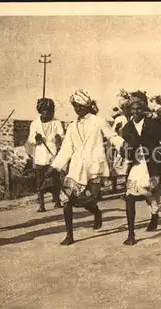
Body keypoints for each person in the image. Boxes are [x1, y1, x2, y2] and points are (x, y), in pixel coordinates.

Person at [49, 90, 125, 245]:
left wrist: (123, 145)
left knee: (87, 200)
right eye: (76, 106)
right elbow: (66, 149)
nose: (78, 109)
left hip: (94, 167)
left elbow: (112, 136)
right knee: (67, 200)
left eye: (81, 106)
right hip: (76, 168)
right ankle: (69, 235)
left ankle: (96, 211)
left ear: (88, 105)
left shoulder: (99, 121)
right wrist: (55, 166)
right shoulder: (71, 127)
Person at [119, 91, 161, 245]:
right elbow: (124, 147)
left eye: (138, 109)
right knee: (130, 197)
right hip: (136, 166)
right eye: (132, 109)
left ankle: (154, 215)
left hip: (152, 165)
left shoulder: (154, 124)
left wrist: (160, 153)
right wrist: (126, 152)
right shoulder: (128, 127)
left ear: (143, 109)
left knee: (150, 194)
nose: (135, 112)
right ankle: (131, 234)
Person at [27, 98, 64, 212]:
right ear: (40, 111)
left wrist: (59, 138)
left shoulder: (57, 122)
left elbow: (62, 136)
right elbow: (31, 140)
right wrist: (36, 138)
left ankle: (57, 201)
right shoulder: (34, 124)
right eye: (44, 110)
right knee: (40, 181)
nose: (46, 113)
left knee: (55, 179)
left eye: (49, 110)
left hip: (53, 155)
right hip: (40, 155)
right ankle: (42, 205)